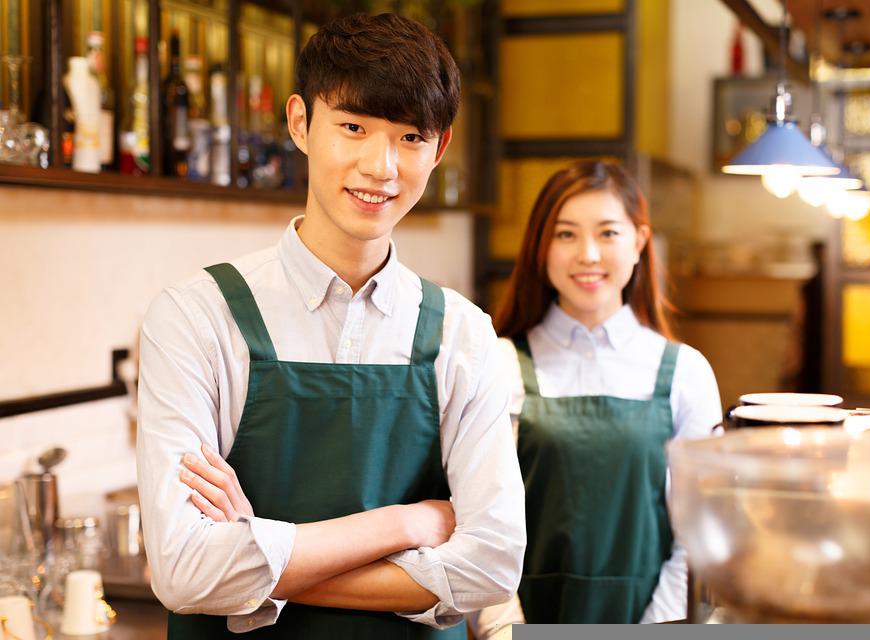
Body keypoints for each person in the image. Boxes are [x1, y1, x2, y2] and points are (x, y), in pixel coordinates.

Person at [136, 14, 525, 639]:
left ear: (440, 149)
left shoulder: (464, 334)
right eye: (353, 127)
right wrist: (404, 526)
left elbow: (494, 567)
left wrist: (259, 558)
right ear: (299, 123)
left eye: (409, 138)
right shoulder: (196, 316)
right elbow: (182, 572)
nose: (381, 167)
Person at [469, 161, 722, 635]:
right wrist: (505, 631)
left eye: (608, 233)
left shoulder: (685, 372)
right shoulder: (497, 364)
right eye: (566, 235)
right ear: (541, 247)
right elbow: (478, 527)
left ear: (640, 242)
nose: (587, 254)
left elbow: (696, 536)